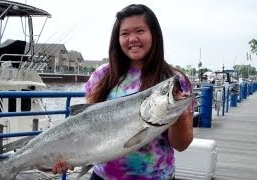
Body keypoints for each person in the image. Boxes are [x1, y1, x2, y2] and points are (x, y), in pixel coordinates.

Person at [53, 4, 194, 179]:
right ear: (117, 39)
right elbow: (85, 125)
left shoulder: (174, 81)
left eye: (140, 31)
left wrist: (178, 114)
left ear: (154, 34)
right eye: (125, 33)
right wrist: (68, 156)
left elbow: (181, 145)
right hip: (102, 176)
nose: (132, 38)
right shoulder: (103, 74)